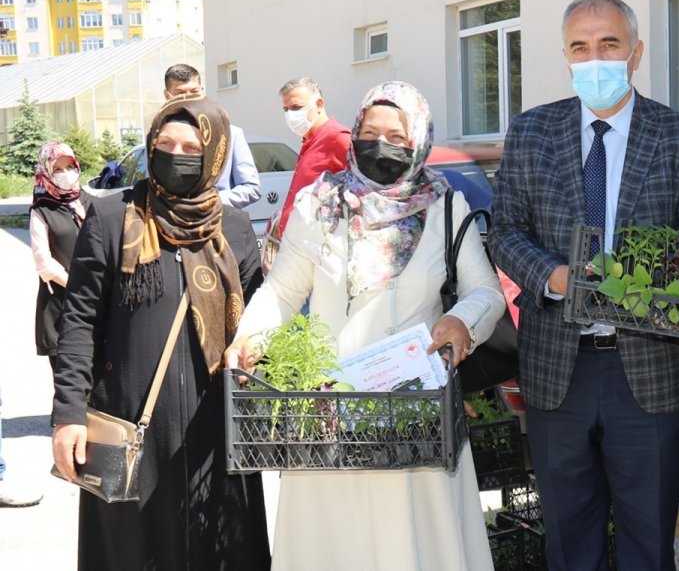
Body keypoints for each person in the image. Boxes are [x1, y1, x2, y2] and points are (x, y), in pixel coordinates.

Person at [225, 81, 506, 570]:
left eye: (395, 135)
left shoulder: (445, 206)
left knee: (413, 542)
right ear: (353, 132)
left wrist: (461, 322)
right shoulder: (319, 203)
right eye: (370, 132)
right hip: (329, 408)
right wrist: (250, 333)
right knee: (334, 543)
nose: (380, 144)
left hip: (415, 411)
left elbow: (485, 291)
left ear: (417, 140)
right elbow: (284, 291)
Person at [489, 0, 679, 570]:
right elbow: (506, 232)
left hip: (649, 372)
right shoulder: (531, 131)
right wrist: (556, 277)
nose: (595, 58)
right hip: (556, 370)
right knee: (569, 543)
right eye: (580, 47)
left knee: (648, 542)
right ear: (566, 56)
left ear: (635, 53)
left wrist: (659, 292)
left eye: (609, 44)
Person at [51, 94, 271, 570]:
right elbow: (79, 323)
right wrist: (69, 413)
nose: (174, 154)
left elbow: (260, 323)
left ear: (214, 155)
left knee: (219, 548)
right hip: (127, 425)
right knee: (130, 551)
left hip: (217, 425)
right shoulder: (113, 219)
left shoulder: (233, 228)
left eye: (190, 146)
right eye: (163, 143)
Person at [163, 63, 262, 209]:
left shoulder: (231, 134)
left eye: (194, 91)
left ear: (202, 91)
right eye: (180, 93)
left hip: (217, 224)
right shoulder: (158, 137)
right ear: (167, 95)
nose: (188, 98)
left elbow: (251, 188)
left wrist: (209, 202)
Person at [29, 141, 90, 374]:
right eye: (57, 169)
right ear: (46, 171)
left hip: (95, 303)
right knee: (68, 377)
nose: (66, 174)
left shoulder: (89, 201)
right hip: (60, 305)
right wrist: (76, 284)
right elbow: (44, 263)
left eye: (70, 166)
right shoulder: (42, 209)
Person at [276, 76, 351, 236]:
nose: (290, 115)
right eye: (286, 109)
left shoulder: (338, 138)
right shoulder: (309, 140)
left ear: (319, 105)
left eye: (296, 107)